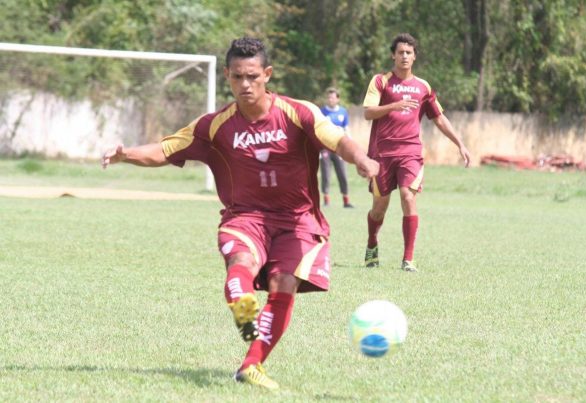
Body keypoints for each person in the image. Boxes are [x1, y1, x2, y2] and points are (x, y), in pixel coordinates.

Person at [102, 37, 379, 390]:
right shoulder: (215, 125)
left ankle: (251, 365)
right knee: (242, 263)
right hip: (244, 217)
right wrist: (127, 154)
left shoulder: (299, 112)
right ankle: (243, 303)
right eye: (236, 77)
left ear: (267, 74)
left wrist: (362, 159)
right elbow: (166, 149)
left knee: (284, 284)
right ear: (228, 78)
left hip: (297, 220)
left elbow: (338, 139)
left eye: (251, 76)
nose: (244, 84)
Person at [362, 33, 471, 272]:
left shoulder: (423, 87)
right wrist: (393, 106)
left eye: (408, 53)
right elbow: (368, 112)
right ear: (393, 55)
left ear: (415, 56)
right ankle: (372, 244)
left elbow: (439, 118)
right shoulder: (381, 81)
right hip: (382, 154)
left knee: (408, 196)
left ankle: (408, 259)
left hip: (410, 153)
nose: (404, 56)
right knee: (380, 207)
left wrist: (460, 143)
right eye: (400, 52)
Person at [319, 87, 353, 208]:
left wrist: (350, 144)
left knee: (342, 173)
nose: (330, 100)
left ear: (338, 99)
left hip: (340, 148)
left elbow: (346, 128)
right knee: (326, 175)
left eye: (332, 97)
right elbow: (318, 130)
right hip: (326, 148)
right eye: (328, 97)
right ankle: (326, 201)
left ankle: (346, 200)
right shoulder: (322, 112)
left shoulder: (343, 112)